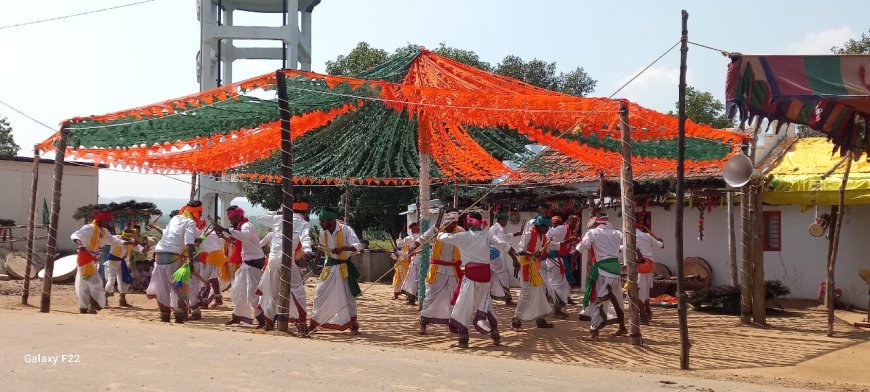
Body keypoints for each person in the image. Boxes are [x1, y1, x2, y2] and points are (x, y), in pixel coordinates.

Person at [437, 212, 517, 348]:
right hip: (485, 276)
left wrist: (443, 228)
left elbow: (441, 237)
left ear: (468, 223)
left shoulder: (463, 236)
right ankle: (495, 335)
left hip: (471, 276)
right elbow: (505, 246)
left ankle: (463, 339)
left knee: (463, 306)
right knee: (486, 304)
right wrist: (515, 260)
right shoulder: (487, 235)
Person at [256, 201, 314, 333]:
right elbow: (305, 238)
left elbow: (260, 217)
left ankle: (269, 323)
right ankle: (301, 323)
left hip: (272, 260)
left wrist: (279, 212)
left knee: (271, 292)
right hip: (287, 260)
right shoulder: (303, 223)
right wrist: (307, 251)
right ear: (305, 213)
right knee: (297, 291)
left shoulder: (278, 218)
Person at [308, 207, 364, 334]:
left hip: (344, 267)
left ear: (331, 220)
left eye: (322, 221)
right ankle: (314, 323)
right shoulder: (323, 232)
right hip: (329, 267)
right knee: (319, 295)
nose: (320, 223)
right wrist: (316, 263)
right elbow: (322, 249)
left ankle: (353, 325)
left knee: (349, 297)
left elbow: (358, 246)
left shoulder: (346, 229)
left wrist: (343, 248)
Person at [573, 214, 627, 340]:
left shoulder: (593, 233)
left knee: (597, 300)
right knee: (617, 300)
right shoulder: (617, 233)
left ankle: (594, 331)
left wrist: (573, 260)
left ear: (597, 224)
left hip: (602, 270)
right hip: (615, 269)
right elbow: (627, 246)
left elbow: (580, 247)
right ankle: (622, 327)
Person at [148, 202, 202, 323]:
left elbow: (169, 234)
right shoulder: (190, 222)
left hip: (159, 255)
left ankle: (165, 316)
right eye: (200, 212)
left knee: (162, 288)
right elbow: (189, 242)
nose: (201, 215)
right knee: (181, 288)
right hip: (173, 257)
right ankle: (180, 316)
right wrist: (190, 262)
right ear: (196, 212)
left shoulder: (175, 218)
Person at [214, 206, 266, 327]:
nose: (231, 222)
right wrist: (223, 234)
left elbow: (244, 236)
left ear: (238, 216)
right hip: (246, 262)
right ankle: (238, 316)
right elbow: (237, 240)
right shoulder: (239, 227)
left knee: (252, 293)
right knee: (237, 289)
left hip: (254, 262)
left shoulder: (246, 226)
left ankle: (263, 320)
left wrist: (224, 229)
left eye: (232, 219)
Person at [71, 210, 131, 314]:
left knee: (86, 283)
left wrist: (127, 242)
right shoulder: (89, 228)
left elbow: (113, 240)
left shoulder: (103, 231)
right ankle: (90, 307)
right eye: (107, 221)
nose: (108, 223)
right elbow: (75, 235)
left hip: (91, 259)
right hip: (84, 258)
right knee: (93, 283)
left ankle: (85, 308)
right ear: (101, 220)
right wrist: (80, 244)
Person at [415, 209, 464, 335]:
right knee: (430, 295)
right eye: (451, 222)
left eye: (455, 222)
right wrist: (415, 245)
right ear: (446, 220)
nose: (454, 225)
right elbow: (422, 239)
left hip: (454, 270)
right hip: (437, 269)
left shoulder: (461, 231)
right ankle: (423, 323)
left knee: (454, 297)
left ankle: (453, 324)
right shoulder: (436, 229)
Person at [512, 215, 555, 330]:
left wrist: (567, 242)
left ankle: (540, 319)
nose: (548, 229)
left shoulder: (544, 237)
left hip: (535, 267)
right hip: (526, 267)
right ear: (540, 226)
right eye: (546, 227)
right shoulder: (529, 234)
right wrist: (532, 254)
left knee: (540, 292)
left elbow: (553, 246)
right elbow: (519, 250)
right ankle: (516, 319)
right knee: (526, 293)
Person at [543, 215, 578, 318]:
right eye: (574, 222)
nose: (575, 225)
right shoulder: (562, 228)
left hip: (561, 259)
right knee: (558, 284)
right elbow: (547, 235)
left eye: (576, 223)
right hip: (555, 259)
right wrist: (555, 245)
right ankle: (556, 309)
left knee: (563, 283)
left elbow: (567, 247)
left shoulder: (568, 231)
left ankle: (556, 307)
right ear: (569, 220)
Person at [104, 229, 144, 307]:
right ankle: (103, 300)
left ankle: (122, 300)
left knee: (124, 281)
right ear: (122, 234)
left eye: (129, 238)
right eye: (125, 237)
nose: (127, 239)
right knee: (111, 279)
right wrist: (131, 242)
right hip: (112, 261)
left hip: (122, 262)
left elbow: (138, 248)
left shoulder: (131, 240)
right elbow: (120, 243)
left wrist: (144, 249)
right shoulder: (115, 238)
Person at [488, 212, 521, 305]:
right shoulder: (499, 228)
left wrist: (517, 234)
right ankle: (507, 297)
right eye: (506, 220)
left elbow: (505, 238)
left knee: (494, 276)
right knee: (503, 275)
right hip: (493, 253)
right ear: (501, 220)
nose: (506, 222)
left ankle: (491, 296)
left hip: (490, 253)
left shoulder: (495, 227)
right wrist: (514, 259)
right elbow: (503, 244)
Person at [634, 223, 663, 324]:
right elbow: (661, 245)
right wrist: (660, 241)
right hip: (649, 266)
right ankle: (648, 311)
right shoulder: (647, 236)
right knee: (645, 291)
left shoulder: (632, 236)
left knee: (641, 292)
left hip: (640, 266)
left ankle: (642, 315)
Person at [396, 222, 420, 303]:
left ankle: (412, 298)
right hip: (424, 260)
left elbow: (399, 244)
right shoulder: (425, 236)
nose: (411, 231)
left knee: (412, 280)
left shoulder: (411, 238)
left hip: (415, 261)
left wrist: (399, 237)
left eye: (412, 229)